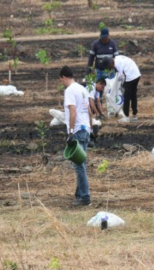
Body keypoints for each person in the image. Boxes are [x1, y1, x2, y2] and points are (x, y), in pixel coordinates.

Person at [60, 66, 92, 206]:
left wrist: (71, 131)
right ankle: (79, 194)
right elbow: (89, 110)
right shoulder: (82, 89)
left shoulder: (70, 91)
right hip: (86, 129)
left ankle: (84, 197)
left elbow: (73, 112)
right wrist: (91, 128)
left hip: (78, 130)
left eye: (61, 80)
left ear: (63, 77)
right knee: (81, 163)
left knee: (79, 165)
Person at [102, 56, 141, 122]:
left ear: (111, 63)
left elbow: (122, 77)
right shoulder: (117, 58)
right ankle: (134, 114)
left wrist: (121, 86)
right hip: (136, 74)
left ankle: (126, 116)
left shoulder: (117, 64)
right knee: (133, 95)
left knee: (127, 96)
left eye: (109, 66)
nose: (111, 68)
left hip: (131, 75)